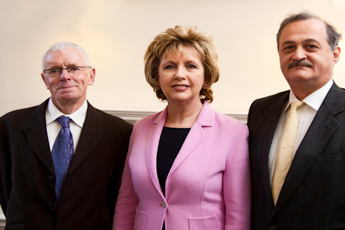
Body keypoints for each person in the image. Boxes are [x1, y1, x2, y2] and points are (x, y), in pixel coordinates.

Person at [113, 25, 251, 230]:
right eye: (169, 66)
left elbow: (237, 216)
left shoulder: (233, 133)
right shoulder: (140, 129)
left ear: (206, 77)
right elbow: (126, 203)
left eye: (191, 66)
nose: (179, 74)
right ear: (157, 77)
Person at [0, 42, 132, 230]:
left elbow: (116, 198)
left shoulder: (118, 132)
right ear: (45, 79)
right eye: (54, 70)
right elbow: (6, 191)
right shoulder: (9, 126)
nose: (64, 76)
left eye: (73, 68)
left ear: (91, 75)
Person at [247, 12, 344, 229]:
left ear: (335, 54)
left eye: (310, 46)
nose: (298, 55)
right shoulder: (260, 110)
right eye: (289, 47)